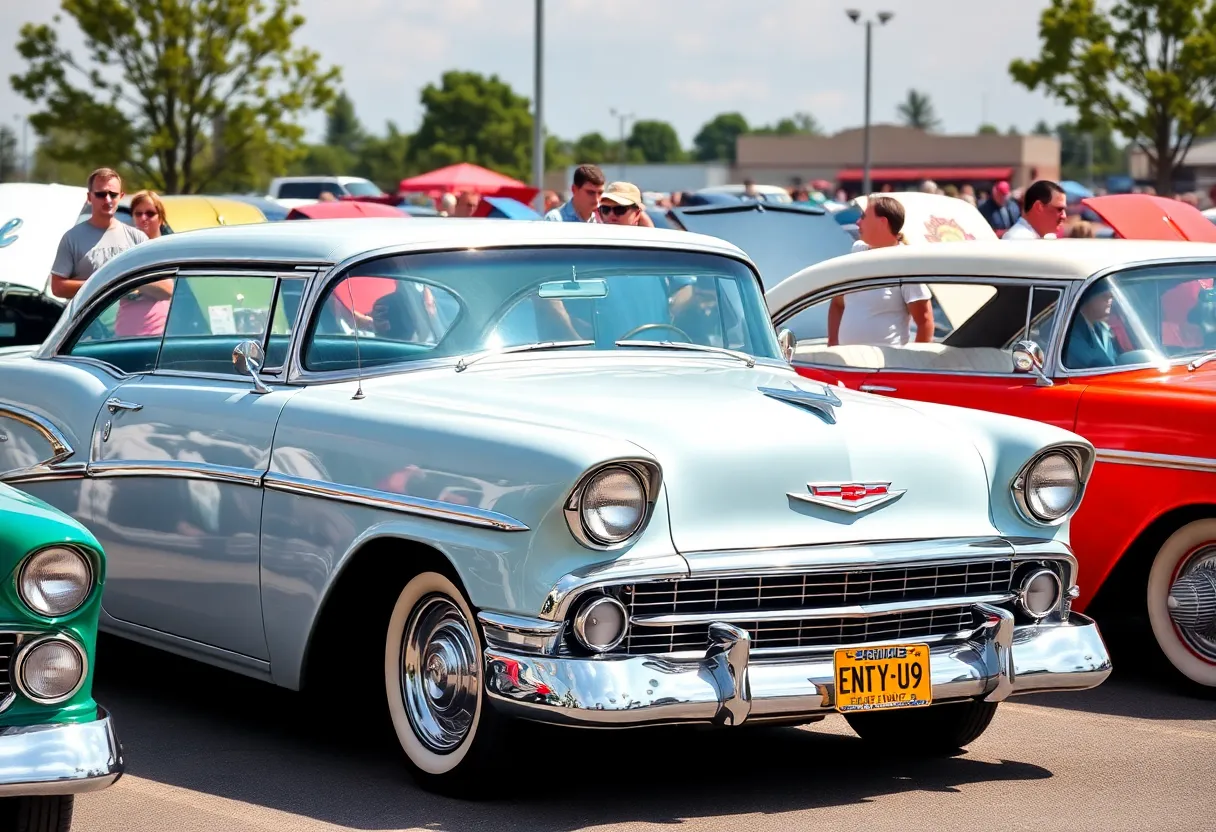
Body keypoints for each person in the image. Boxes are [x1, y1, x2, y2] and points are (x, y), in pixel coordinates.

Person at [829, 195, 934, 347]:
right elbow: (838, 303)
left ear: (882, 222)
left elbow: (925, 322)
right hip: (848, 364)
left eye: (864, 217)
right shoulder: (857, 251)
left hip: (885, 367)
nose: (858, 222)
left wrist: (916, 363)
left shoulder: (906, 263)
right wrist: (833, 344)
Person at [50, 167, 147, 300]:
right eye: (101, 194)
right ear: (89, 197)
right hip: (89, 319)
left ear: (121, 197)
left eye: (113, 195)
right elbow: (57, 287)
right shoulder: (72, 238)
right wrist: (103, 285)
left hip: (127, 319)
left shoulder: (137, 238)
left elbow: (154, 283)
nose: (107, 200)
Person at [115, 190, 174, 338]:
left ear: (160, 219)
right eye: (138, 213)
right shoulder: (125, 251)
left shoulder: (166, 249)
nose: (143, 218)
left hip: (156, 335)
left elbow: (167, 290)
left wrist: (129, 279)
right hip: (123, 334)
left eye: (150, 213)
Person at [1063, 285, 1118, 368]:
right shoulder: (1071, 332)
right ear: (1087, 298)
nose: (1111, 297)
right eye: (1104, 296)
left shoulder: (1102, 328)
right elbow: (1094, 364)